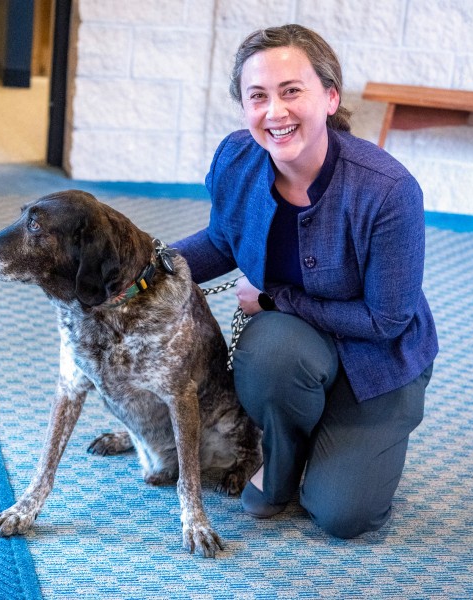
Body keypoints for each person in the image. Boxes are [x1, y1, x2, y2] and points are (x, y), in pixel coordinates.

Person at [174, 23, 438, 539]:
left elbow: (387, 320)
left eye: (292, 91)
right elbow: (223, 241)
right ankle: (284, 457)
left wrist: (276, 299)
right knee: (271, 354)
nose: (275, 112)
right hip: (295, 348)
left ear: (330, 96)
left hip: (380, 360)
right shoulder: (235, 158)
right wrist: (144, 269)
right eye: (258, 96)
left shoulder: (389, 190)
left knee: (344, 516)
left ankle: (332, 445)